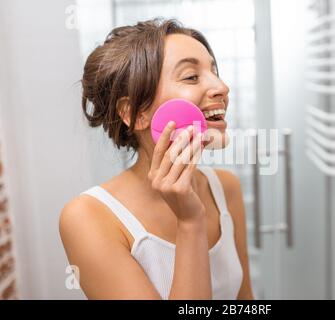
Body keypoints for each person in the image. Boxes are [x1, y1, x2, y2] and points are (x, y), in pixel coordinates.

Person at [59, 18, 254, 300]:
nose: (222, 87)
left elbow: (246, 301)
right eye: (191, 76)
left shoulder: (225, 188)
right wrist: (190, 222)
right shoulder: (87, 217)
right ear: (135, 113)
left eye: (214, 71)